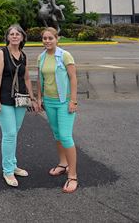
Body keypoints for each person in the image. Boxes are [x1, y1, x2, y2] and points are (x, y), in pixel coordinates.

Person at [35, 27, 79, 193]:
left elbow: (73, 77)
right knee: (57, 134)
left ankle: (72, 176)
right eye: (44, 38)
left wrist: (73, 101)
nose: (47, 41)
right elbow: (40, 79)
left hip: (64, 102)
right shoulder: (41, 57)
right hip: (49, 101)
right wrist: (39, 98)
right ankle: (63, 163)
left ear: (56, 39)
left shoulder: (65, 55)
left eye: (50, 38)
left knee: (66, 136)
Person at [0, 24, 36, 187]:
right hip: (4, 99)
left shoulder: (23, 55)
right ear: (8, 37)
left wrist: (32, 98)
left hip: (21, 99)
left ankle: (13, 164)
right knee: (9, 133)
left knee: (14, 133)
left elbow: (26, 79)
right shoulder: (1, 53)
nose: (15, 36)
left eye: (18, 34)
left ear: (23, 37)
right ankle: (8, 171)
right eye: (12, 34)